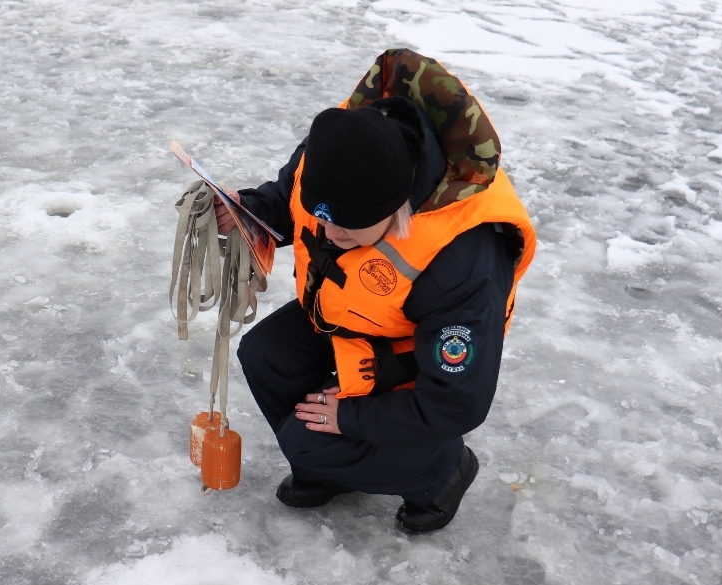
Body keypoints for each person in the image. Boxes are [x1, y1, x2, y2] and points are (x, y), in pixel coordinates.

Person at [214, 49, 536, 534]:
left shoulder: (464, 260)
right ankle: (332, 468)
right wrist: (250, 210)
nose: (327, 234)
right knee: (265, 354)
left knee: (308, 439)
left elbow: (456, 401)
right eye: (323, 219)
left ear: (398, 208)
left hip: (411, 353)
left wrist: (353, 419)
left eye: (347, 229)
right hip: (351, 314)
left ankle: (441, 471)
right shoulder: (339, 147)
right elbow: (288, 202)